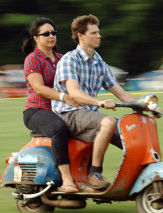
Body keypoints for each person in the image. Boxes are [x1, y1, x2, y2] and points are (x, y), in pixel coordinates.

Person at [51, 14, 138, 190]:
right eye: (94, 33)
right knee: (108, 122)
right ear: (81, 36)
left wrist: (147, 105)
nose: (99, 36)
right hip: (69, 113)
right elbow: (74, 93)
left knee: (130, 136)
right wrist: (100, 102)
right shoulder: (70, 59)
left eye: (98, 32)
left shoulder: (100, 63)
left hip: (89, 115)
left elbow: (121, 94)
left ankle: (139, 174)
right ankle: (94, 174)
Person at [22, 17, 80, 193]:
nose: (51, 36)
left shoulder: (63, 59)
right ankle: (67, 179)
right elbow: (39, 88)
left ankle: (89, 175)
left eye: (53, 32)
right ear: (36, 38)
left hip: (61, 109)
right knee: (58, 128)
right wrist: (64, 97)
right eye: (46, 34)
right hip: (37, 110)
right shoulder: (32, 60)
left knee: (89, 125)